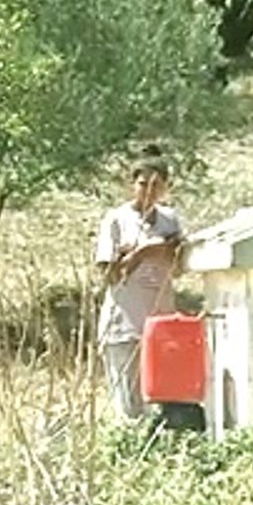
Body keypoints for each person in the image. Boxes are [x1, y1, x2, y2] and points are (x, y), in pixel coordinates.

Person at [93, 146, 184, 422]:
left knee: (163, 404)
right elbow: (109, 274)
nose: (149, 191)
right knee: (130, 409)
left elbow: (178, 265)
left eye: (156, 185)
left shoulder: (169, 220)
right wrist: (136, 255)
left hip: (161, 325)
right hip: (125, 326)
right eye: (143, 184)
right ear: (132, 184)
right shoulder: (117, 220)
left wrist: (157, 251)